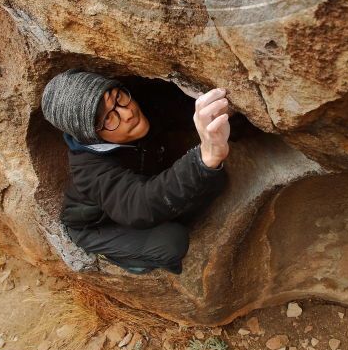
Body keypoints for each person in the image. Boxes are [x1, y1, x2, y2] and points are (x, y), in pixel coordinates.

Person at [41, 69, 230, 275]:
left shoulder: (138, 106)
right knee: (171, 242)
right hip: (97, 226)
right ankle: (120, 256)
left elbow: (181, 110)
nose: (127, 113)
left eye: (118, 97)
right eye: (108, 119)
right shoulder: (89, 170)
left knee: (213, 180)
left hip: (134, 194)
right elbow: (138, 205)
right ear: (91, 135)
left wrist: (224, 114)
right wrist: (204, 158)